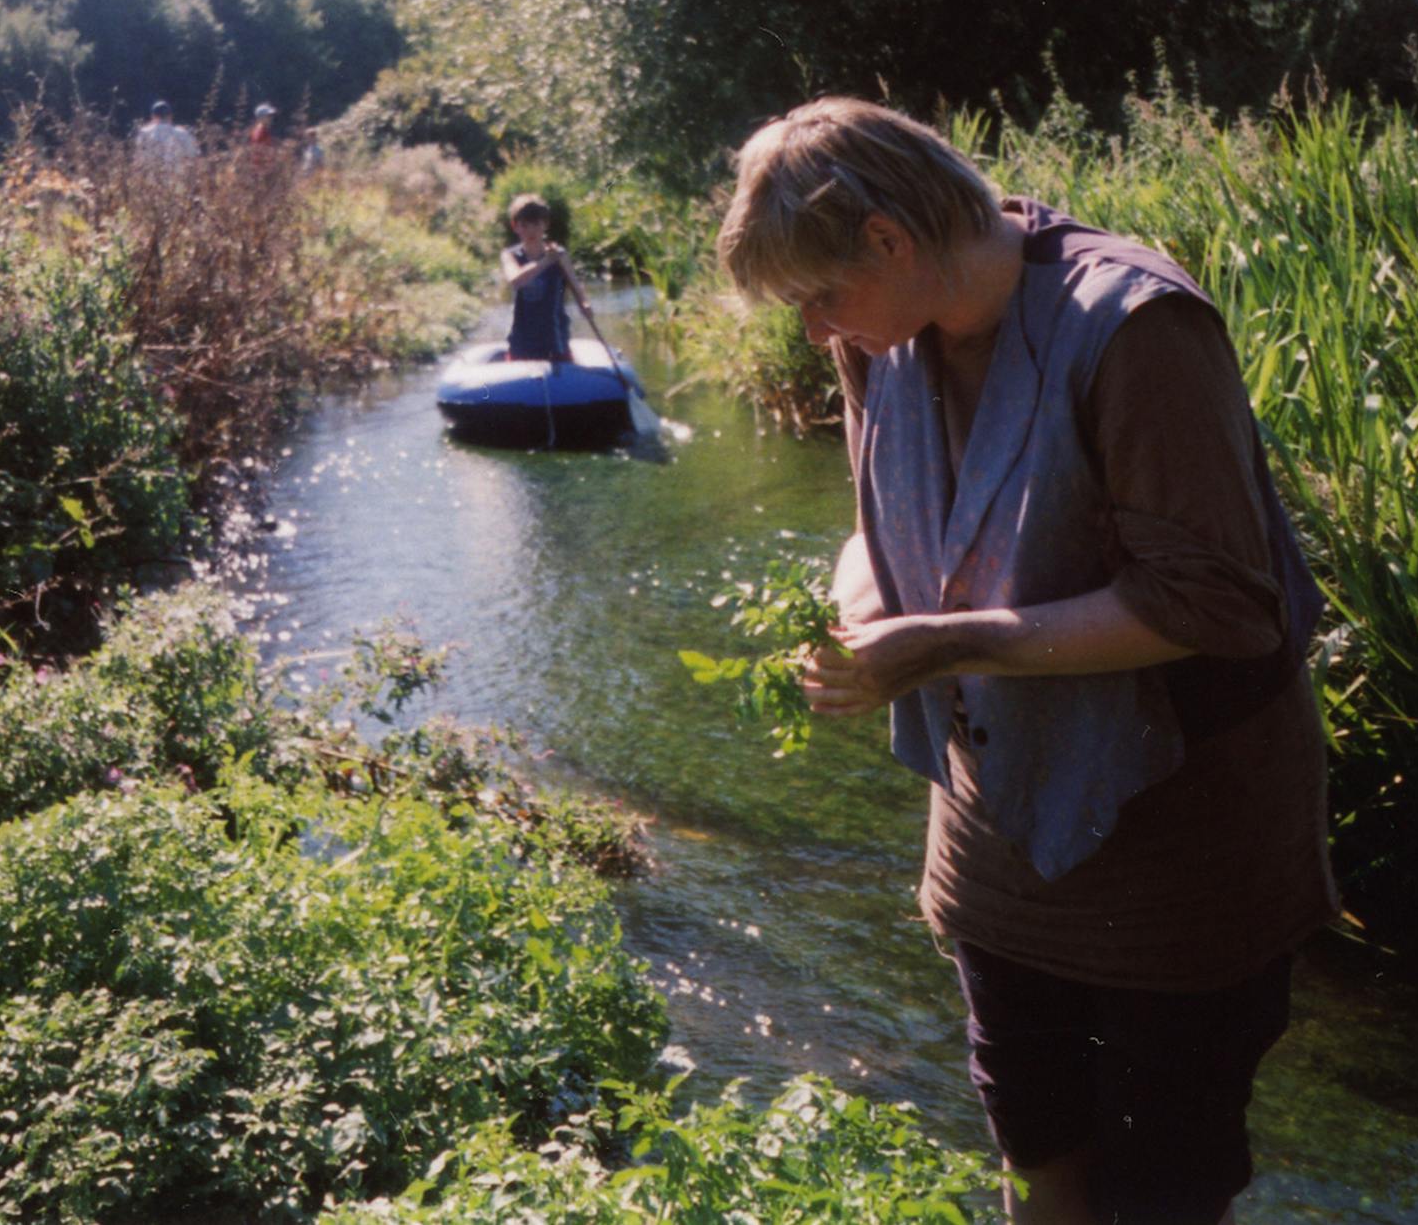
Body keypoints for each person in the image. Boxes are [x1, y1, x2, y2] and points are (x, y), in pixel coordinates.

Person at [715, 97, 1335, 1225]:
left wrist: (945, 641)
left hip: (1182, 839)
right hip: (996, 835)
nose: (815, 332)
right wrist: (863, 616)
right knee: (1039, 1144)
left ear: (889, 240)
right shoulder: (885, 335)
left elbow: (1215, 602)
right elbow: (877, 524)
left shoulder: (1138, 327)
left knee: (1165, 1187)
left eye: (819, 298)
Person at [500, 193, 589, 361]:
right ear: (515, 226)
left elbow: (577, 288)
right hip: (521, 341)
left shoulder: (560, 255)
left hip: (555, 340)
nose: (531, 231)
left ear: (545, 224)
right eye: (524, 225)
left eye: (536, 224)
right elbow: (516, 280)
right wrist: (546, 261)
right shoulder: (510, 255)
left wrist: (585, 304)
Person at [133, 99, 198, 172]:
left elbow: (138, 160)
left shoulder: (144, 133)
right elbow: (193, 155)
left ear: (153, 116)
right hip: (177, 178)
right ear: (170, 116)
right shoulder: (182, 133)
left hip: (151, 179)